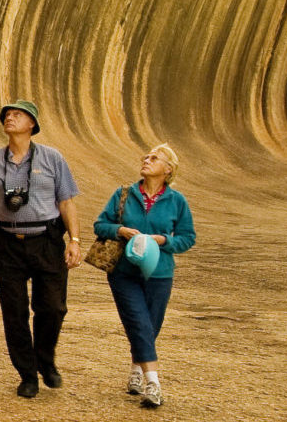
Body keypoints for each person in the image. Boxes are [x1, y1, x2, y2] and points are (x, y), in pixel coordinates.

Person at [0, 100, 83, 399]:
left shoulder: (52, 159)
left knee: (53, 307)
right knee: (14, 312)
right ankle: (27, 374)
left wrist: (74, 240)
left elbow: (66, 201)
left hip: (46, 240)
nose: (10, 117)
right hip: (7, 243)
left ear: (32, 124)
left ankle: (45, 360)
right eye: (7, 115)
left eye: (17, 114)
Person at [92, 143, 197, 409]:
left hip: (160, 273)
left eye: (154, 158)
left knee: (150, 328)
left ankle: (136, 372)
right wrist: (120, 231)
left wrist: (164, 241)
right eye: (146, 157)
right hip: (124, 273)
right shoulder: (124, 193)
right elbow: (100, 224)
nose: (147, 160)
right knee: (139, 323)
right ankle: (154, 384)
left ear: (168, 169)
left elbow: (188, 238)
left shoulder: (177, 201)